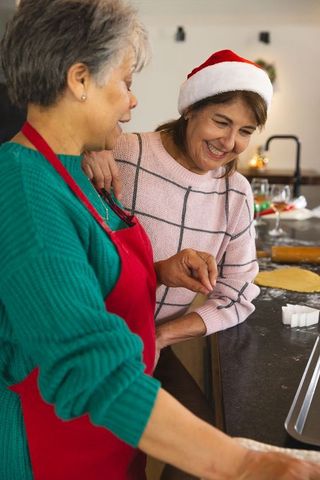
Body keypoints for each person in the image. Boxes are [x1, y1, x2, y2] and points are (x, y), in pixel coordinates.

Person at [1, 2, 320, 480]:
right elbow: (92, 365)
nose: (133, 103)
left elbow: (83, 274)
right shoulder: (26, 188)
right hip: (52, 445)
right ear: (80, 79)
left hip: (103, 434)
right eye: (127, 82)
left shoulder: (66, 170)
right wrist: (243, 462)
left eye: (245, 131)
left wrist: (162, 272)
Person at [83, 49, 273, 478]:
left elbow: (240, 293)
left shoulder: (235, 194)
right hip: (98, 336)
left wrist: (163, 335)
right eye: (221, 122)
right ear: (190, 111)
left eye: (245, 130)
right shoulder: (125, 154)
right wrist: (88, 149)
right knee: (112, 453)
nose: (230, 142)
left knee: (201, 447)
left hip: (153, 340)